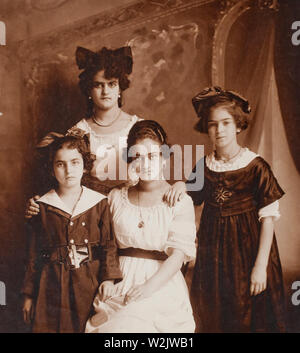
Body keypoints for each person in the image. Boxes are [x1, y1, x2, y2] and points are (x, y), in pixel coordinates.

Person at [25, 45, 180, 217]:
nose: (105, 91)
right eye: (98, 85)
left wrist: (180, 186)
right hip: (93, 217)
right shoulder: (78, 132)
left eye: (111, 84)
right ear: (89, 91)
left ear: (120, 88)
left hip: (134, 211)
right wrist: (43, 202)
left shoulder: (139, 129)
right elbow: (66, 182)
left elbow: (157, 174)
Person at [186, 86, 286, 332]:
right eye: (213, 124)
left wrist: (260, 266)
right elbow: (187, 201)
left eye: (226, 123)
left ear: (239, 125)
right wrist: (179, 186)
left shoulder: (255, 167)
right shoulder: (204, 166)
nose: (219, 130)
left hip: (248, 251)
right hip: (213, 255)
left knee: (248, 314)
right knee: (212, 311)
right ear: (206, 128)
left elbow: (268, 220)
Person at [85, 120, 197, 333]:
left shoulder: (179, 200)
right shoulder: (116, 197)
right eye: (137, 157)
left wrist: (147, 288)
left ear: (164, 158)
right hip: (119, 279)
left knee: (136, 324)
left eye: (152, 156)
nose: (145, 164)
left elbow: (178, 255)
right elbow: (97, 236)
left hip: (161, 283)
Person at [21, 132, 122, 333]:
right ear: (51, 169)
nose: (69, 170)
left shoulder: (98, 203)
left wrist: (108, 278)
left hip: (88, 282)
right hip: (50, 283)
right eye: (60, 164)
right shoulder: (43, 206)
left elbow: (109, 245)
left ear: (85, 165)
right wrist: (28, 295)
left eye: (75, 162)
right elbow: (34, 254)